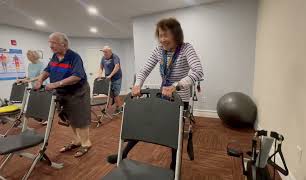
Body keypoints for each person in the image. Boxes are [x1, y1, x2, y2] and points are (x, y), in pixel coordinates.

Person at [107, 17, 204, 170]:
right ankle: (124, 153)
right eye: (160, 35)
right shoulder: (159, 51)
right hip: (162, 95)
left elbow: (198, 71)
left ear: (176, 35)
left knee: (174, 132)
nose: (163, 39)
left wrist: (175, 86)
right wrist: (137, 85)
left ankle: (174, 164)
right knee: (143, 123)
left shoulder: (186, 49)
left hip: (179, 98)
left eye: (166, 35)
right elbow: (144, 70)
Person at [34, 32, 92, 157]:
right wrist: (40, 80)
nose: (50, 46)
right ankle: (77, 141)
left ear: (63, 44)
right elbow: (47, 71)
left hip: (78, 91)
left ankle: (86, 143)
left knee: (80, 119)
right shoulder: (55, 57)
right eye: (50, 42)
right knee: (70, 118)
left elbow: (77, 76)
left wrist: (56, 84)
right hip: (63, 92)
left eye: (53, 43)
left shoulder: (74, 57)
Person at [17, 50, 47, 125]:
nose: (28, 58)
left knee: (42, 103)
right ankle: (39, 117)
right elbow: (29, 77)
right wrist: (23, 79)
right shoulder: (30, 65)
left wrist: (30, 80)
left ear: (34, 56)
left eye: (29, 57)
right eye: (28, 57)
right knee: (35, 102)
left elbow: (41, 76)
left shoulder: (42, 64)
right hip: (34, 86)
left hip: (42, 85)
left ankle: (45, 119)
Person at [97, 46, 123, 115]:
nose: (104, 53)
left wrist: (110, 75)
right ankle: (107, 107)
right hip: (108, 78)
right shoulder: (103, 58)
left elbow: (117, 66)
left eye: (105, 52)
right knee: (109, 93)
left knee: (115, 94)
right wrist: (99, 75)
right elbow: (101, 67)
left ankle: (119, 108)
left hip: (116, 78)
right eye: (103, 52)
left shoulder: (115, 57)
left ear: (110, 52)